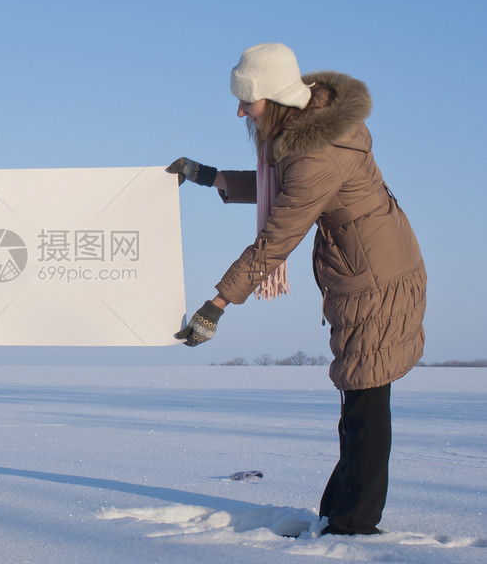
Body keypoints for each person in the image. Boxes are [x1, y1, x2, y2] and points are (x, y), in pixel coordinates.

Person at [168, 44, 426, 535]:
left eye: (248, 100)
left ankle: (355, 524)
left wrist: (216, 304)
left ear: (276, 97)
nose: (240, 110)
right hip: (364, 268)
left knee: (367, 400)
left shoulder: (316, 155)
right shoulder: (301, 135)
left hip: (376, 279)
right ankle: (341, 511)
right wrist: (211, 177)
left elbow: (275, 241)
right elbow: (279, 184)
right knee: (357, 397)